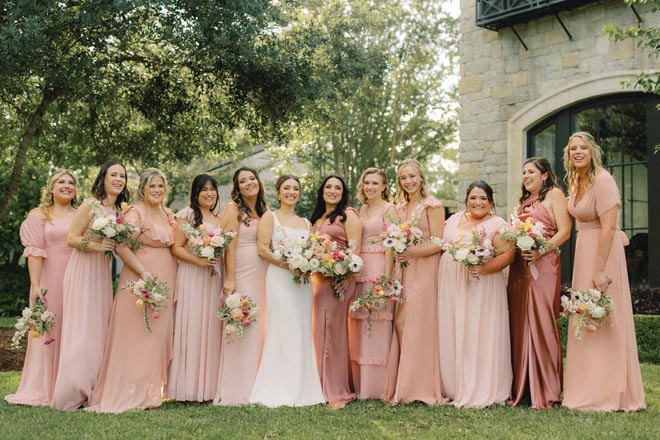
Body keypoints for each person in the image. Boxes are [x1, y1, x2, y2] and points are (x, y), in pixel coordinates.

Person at [562, 131, 645, 411]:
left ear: (593, 151)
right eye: (573, 148)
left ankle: (612, 390)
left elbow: (609, 227)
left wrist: (598, 270)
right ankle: (587, 387)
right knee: (586, 318)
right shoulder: (574, 183)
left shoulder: (604, 180)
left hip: (604, 254)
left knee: (606, 317)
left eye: (583, 147)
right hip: (584, 250)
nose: (578, 152)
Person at [87, 168, 177, 413]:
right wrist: (144, 273)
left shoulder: (167, 213)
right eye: (152, 186)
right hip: (140, 279)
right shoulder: (136, 212)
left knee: (155, 335)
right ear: (143, 189)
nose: (157, 190)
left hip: (166, 278)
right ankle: (129, 393)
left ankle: (149, 392)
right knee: (137, 334)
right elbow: (122, 247)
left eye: (161, 186)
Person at [51, 161, 130, 411]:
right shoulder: (90, 204)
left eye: (122, 176)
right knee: (82, 329)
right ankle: (72, 391)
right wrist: (97, 246)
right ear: (103, 178)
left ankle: (94, 387)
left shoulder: (119, 210)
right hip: (83, 268)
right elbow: (72, 238)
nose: (118, 179)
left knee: (98, 329)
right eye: (113, 175)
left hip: (101, 272)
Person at [248, 175, 325, 407]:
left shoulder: (306, 223)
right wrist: (288, 265)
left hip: (302, 283)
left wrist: (307, 265)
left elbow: (312, 251)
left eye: (296, 188)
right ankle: (277, 386)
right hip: (279, 279)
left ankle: (304, 387)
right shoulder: (269, 217)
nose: (292, 192)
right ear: (278, 192)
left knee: (301, 328)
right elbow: (262, 249)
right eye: (287, 188)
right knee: (282, 328)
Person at [438, 180, 515, 408]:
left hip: (482, 287)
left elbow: (507, 255)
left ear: (491, 202)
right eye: (473, 198)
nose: (477, 202)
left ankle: (481, 386)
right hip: (451, 285)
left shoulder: (498, 225)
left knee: (476, 331)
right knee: (453, 329)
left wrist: (482, 268)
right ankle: (454, 384)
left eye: (483, 198)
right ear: (466, 200)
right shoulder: (454, 219)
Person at [5, 170, 79, 406]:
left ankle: (70, 387)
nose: (66, 185)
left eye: (71, 182)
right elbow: (34, 253)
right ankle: (42, 387)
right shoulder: (39, 215)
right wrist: (36, 285)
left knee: (73, 331)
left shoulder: (81, 215)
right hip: (49, 279)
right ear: (51, 187)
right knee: (49, 329)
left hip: (77, 279)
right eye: (61, 182)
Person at [507, 157, 571, 409]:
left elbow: (564, 231)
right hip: (520, 266)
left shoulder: (555, 195)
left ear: (545, 175)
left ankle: (547, 389)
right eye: (523, 172)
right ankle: (524, 388)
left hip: (544, 265)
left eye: (531, 171)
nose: (525, 176)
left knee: (542, 320)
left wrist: (541, 251)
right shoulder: (523, 203)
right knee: (520, 322)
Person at [383, 159, 446, 405]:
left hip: (425, 269)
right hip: (405, 271)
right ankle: (409, 383)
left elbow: (439, 243)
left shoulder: (433, 205)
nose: (408, 181)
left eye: (411, 176)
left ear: (421, 177)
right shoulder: (398, 209)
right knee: (404, 324)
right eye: (403, 178)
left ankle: (419, 385)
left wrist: (412, 253)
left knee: (410, 323)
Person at [214, 167, 268, 406]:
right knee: (244, 323)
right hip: (242, 274)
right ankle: (238, 387)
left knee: (261, 327)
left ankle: (260, 382)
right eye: (242, 181)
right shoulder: (232, 209)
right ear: (237, 187)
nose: (249, 183)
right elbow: (229, 246)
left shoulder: (265, 210)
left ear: (258, 181)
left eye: (252, 178)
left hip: (264, 274)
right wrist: (231, 278)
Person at [167, 174, 224, 402]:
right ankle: (187, 388)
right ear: (196, 193)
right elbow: (176, 248)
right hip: (192, 275)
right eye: (204, 189)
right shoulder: (186, 215)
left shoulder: (220, 220)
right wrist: (199, 260)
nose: (209, 193)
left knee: (210, 328)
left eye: (212, 189)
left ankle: (208, 388)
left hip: (212, 278)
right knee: (192, 325)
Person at [310, 175, 362, 410]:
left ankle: (335, 389)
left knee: (333, 333)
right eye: (328, 187)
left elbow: (355, 249)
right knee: (319, 331)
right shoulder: (317, 217)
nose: (332, 191)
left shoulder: (348, 215)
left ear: (343, 193)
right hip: (318, 281)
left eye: (337, 188)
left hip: (338, 281)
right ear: (321, 191)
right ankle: (317, 384)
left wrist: (346, 276)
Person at [348, 168, 398, 399]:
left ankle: (379, 386)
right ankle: (362, 385)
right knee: (361, 323)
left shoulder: (390, 210)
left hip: (379, 266)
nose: (370, 187)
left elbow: (392, 245)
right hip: (361, 267)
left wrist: (387, 279)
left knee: (378, 322)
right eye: (366, 182)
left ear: (384, 186)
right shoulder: (362, 209)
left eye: (375, 183)